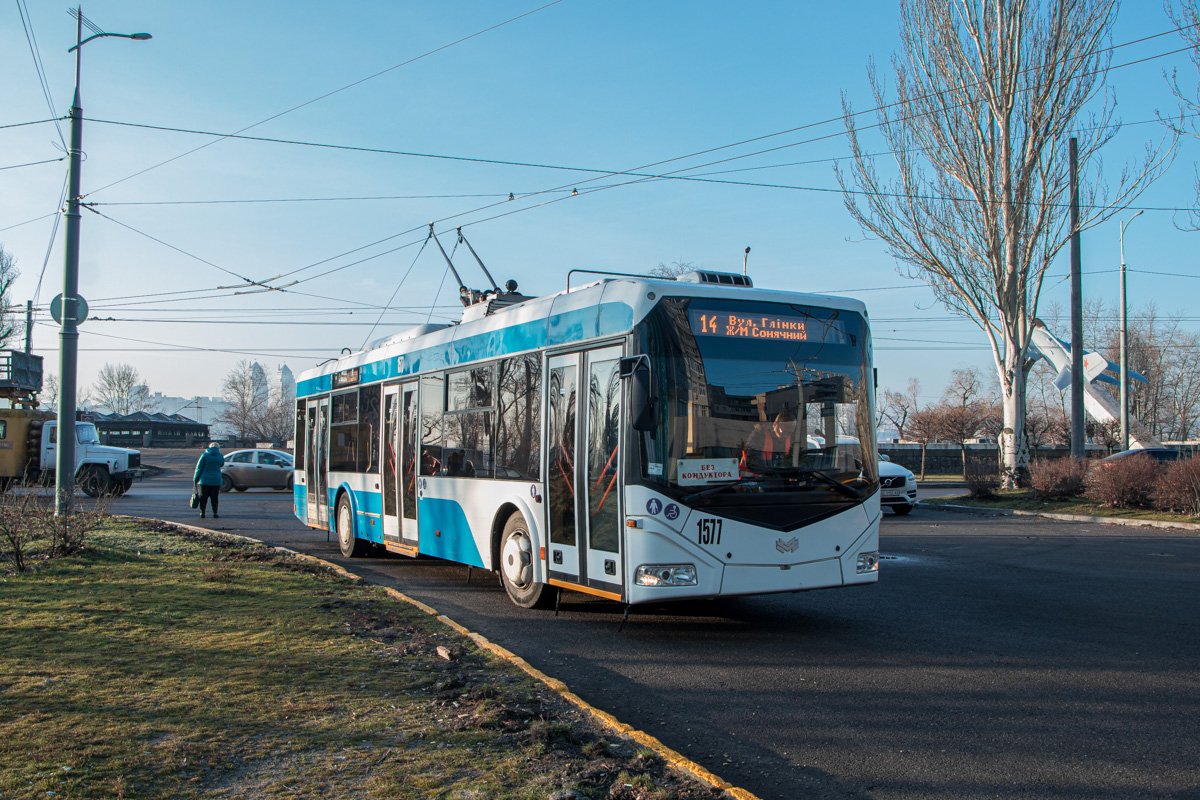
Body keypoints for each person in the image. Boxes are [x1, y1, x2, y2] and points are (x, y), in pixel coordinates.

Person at [193, 441, 225, 519]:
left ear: (209, 447)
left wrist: (195, 479)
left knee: (203, 498)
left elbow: (199, 468)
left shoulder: (204, 455)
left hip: (204, 481)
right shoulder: (220, 456)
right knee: (215, 498)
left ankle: (202, 513)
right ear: (218, 448)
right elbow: (221, 464)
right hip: (216, 480)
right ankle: (215, 513)